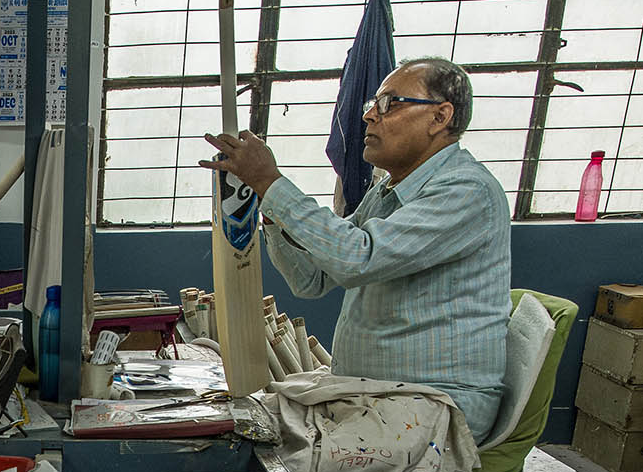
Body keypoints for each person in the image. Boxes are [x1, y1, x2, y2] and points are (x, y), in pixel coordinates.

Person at [202, 56, 510, 442]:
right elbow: (312, 279)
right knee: (246, 427)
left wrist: (270, 182)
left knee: (290, 468)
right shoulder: (388, 190)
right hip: (379, 395)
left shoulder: (466, 191)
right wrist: (270, 211)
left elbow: (356, 258)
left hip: (436, 406)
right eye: (372, 105)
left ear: (440, 117)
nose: (369, 117)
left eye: (389, 104)